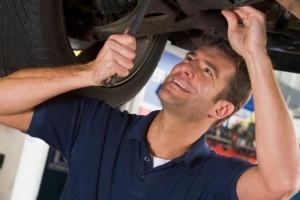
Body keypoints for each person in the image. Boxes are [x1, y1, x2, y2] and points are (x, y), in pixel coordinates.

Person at [0, 6, 299, 200]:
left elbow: (282, 183)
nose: (186, 67)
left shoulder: (213, 180)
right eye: (189, 58)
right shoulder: (98, 127)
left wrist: (257, 56)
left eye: (206, 71)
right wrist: (89, 73)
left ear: (220, 109)